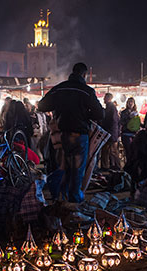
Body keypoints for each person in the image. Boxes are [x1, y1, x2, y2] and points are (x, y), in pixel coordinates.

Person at [37, 62, 104, 202]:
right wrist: (84, 115)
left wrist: (60, 108)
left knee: (65, 168)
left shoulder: (60, 88)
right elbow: (100, 114)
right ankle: (74, 202)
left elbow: (42, 105)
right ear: (84, 75)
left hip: (64, 136)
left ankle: (62, 199)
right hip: (80, 135)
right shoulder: (86, 91)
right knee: (77, 171)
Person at [100, 92, 120, 170]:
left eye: (105, 97)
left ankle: (108, 166)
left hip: (109, 132)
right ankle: (114, 165)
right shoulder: (112, 108)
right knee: (112, 151)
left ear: (108, 98)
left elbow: (111, 121)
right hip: (112, 132)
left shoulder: (110, 108)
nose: (103, 99)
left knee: (108, 150)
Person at [120, 97, 140, 163]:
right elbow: (121, 122)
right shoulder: (123, 112)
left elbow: (137, 122)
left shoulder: (136, 112)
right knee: (128, 151)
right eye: (129, 102)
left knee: (134, 151)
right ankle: (129, 164)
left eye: (132, 102)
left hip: (134, 133)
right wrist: (129, 118)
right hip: (126, 133)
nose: (130, 103)